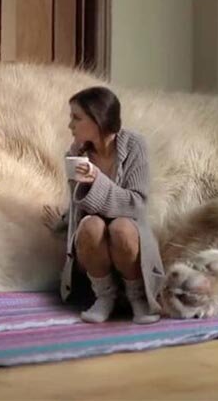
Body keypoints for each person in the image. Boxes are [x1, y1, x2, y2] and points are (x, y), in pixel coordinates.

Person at [53, 86, 164, 324]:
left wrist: (97, 179)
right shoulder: (76, 154)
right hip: (94, 242)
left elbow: (136, 204)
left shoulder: (134, 145)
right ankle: (104, 296)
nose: (70, 125)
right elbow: (79, 206)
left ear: (98, 119)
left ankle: (138, 297)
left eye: (76, 118)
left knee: (121, 228)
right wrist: (62, 221)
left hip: (129, 236)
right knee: (91, 226)